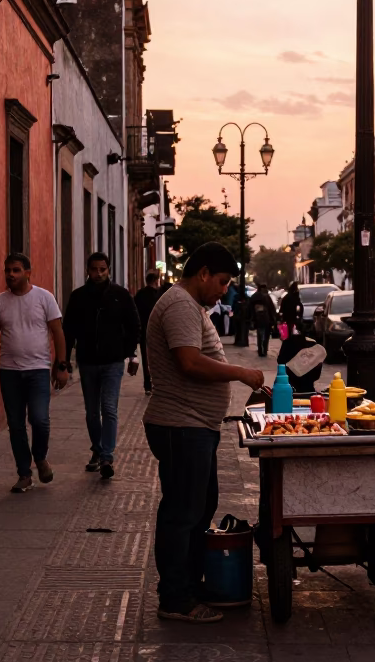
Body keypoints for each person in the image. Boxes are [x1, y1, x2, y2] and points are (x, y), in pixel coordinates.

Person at [144, 242, 265, 624]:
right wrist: (241, 373)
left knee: (198, 509)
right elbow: (190, 362)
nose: (225, 290)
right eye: (223, 281)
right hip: (181, 425)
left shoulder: (189, 305)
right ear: (203, 273)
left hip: (194, 424)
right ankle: (175, 598)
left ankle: (187, 585)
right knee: (182, 513)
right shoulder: (180, 304)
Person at [0, 253, 70, 493]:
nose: (11, 274)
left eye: (16, 270)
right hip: (9, 372)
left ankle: (40, 457)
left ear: (28, 273)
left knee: (40, 419)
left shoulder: (44, 298)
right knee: (16, 424)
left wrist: (61, 366)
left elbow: (58, 333)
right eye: (8, 270)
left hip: (39, 370)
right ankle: (24, 473)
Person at [63, 252, 142, 480]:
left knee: (108, 408)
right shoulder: (78, 297)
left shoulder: (120, 295)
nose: (98, 274)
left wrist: (131, 354)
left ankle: (107, 455)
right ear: (87, 270)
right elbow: (68, 330)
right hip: (87, 362)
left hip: (113, 362)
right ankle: (96, 450)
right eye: (94, 269)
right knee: (91, 412)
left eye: (102, 269)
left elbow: (134, 325)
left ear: (109, 270)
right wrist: (65, 360)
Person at [134, 271, 165, 394]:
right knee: (159, 357)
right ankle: (158, 383)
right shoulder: (159, 295)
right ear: (156, 280)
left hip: (144, 331)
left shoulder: (140, 294)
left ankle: (147, 385)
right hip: (158, 331)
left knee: (146, 358)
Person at [275, 327, 325, 393]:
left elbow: (280, 363)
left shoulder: (287, 343)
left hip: (287, 390)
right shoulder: (314, 348)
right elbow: (316, 375)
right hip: (308, 391)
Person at [251, 284, 279, 357]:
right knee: (266, 335)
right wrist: (274, 319)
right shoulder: (267, 297)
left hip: (258, 319)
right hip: (266, 319)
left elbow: (250, 308)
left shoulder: (254, 297)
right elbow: (271, 309)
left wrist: (251, 319)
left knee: (260, 334)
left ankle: (261, 350)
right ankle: (264, 349)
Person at [232, 282, 251, 347]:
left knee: (240, 329)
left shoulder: (237, 297)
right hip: (242, 315)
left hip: (241, 315)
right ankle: (242, 341)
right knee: (242, 329)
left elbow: (234, 306)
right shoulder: (245, 297)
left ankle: (241, 341)